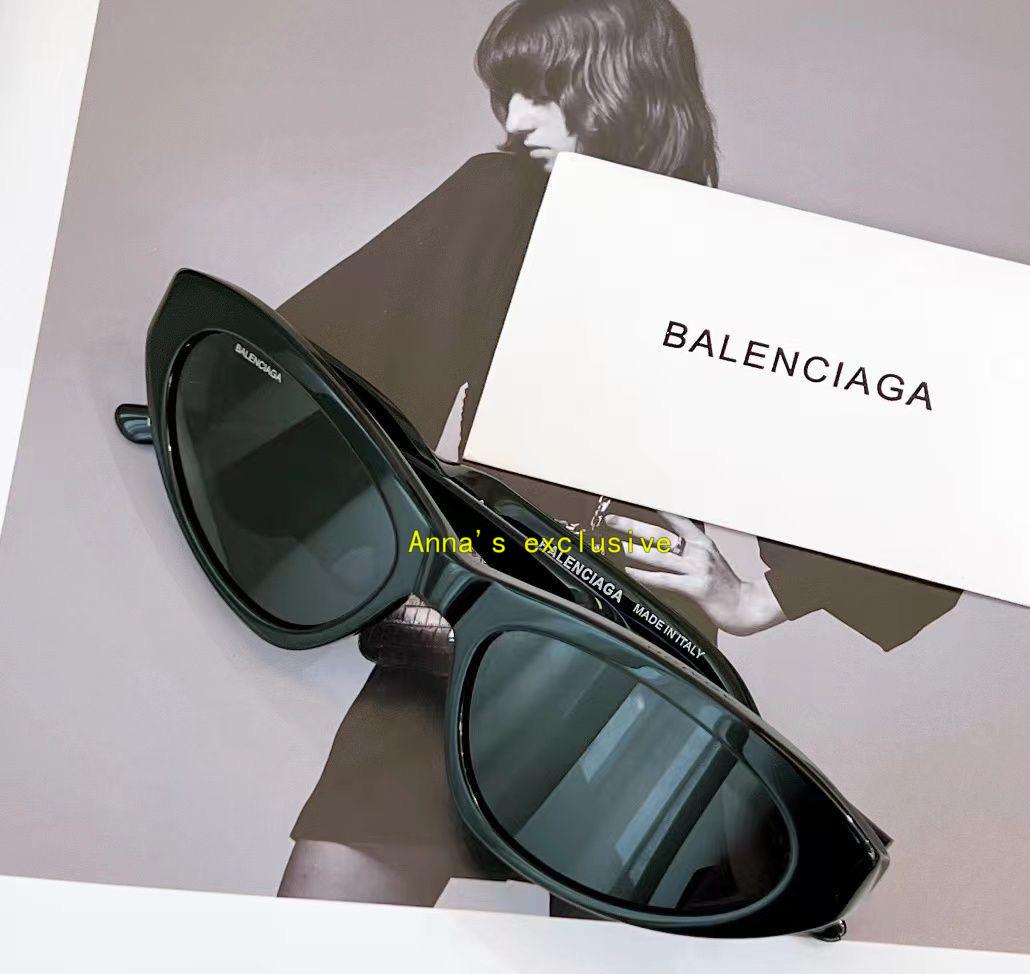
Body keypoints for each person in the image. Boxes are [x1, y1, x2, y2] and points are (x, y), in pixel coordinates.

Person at [276, 0, 959, 906]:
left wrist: (760, 597)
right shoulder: (503, 200)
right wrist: (396, 554)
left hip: (644, 663)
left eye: (543, 88)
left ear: (623, 86)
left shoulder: (744, 268)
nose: (518, 120)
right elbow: (328, 366)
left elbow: (929, 489)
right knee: (316, 961)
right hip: (478, 619)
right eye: (506, 94)